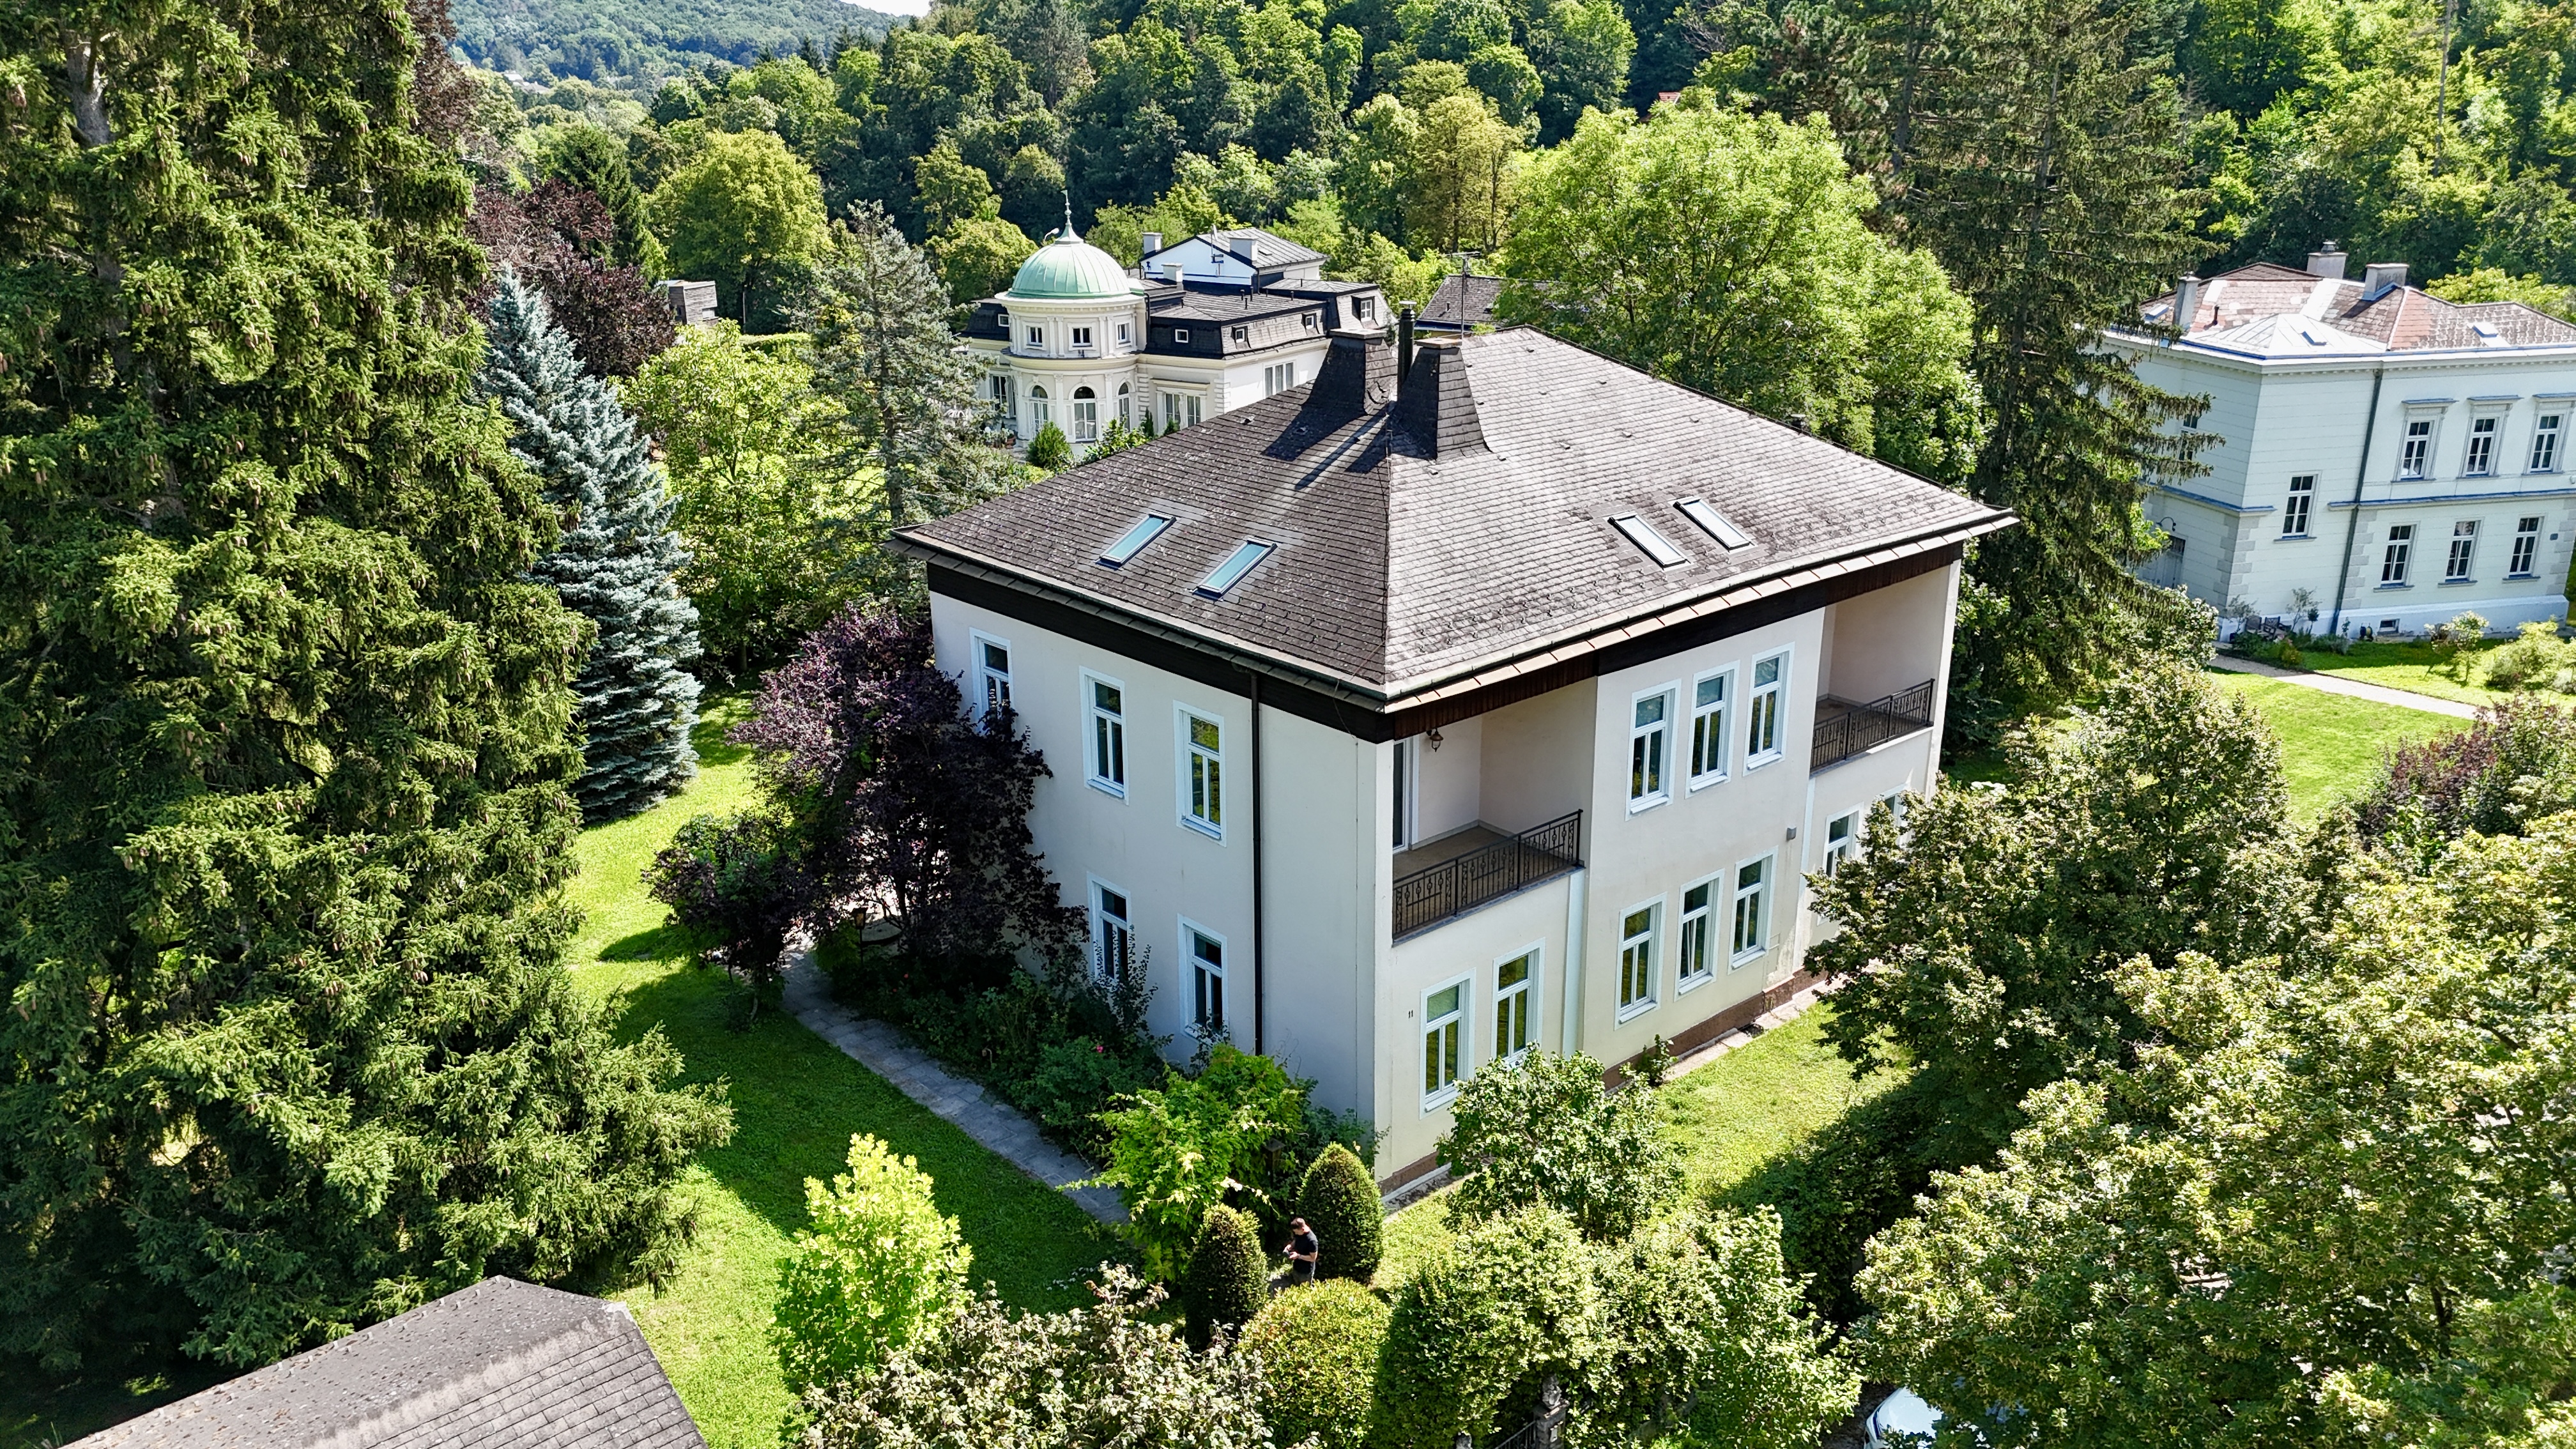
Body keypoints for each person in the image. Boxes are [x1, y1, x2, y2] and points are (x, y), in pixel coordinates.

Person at [1281, 1216, 1320, 1287]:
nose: (1296, 1233)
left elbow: (1313, 1258)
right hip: (1296, 1268)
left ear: (1302, 1229)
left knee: (1305, 1291)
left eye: (1297, 1232)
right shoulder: (1300, 1233)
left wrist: (1298, 1256)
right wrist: (1290, 1246)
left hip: (1306, 1272)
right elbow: (1296, 1240)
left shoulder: (1312, 1241)